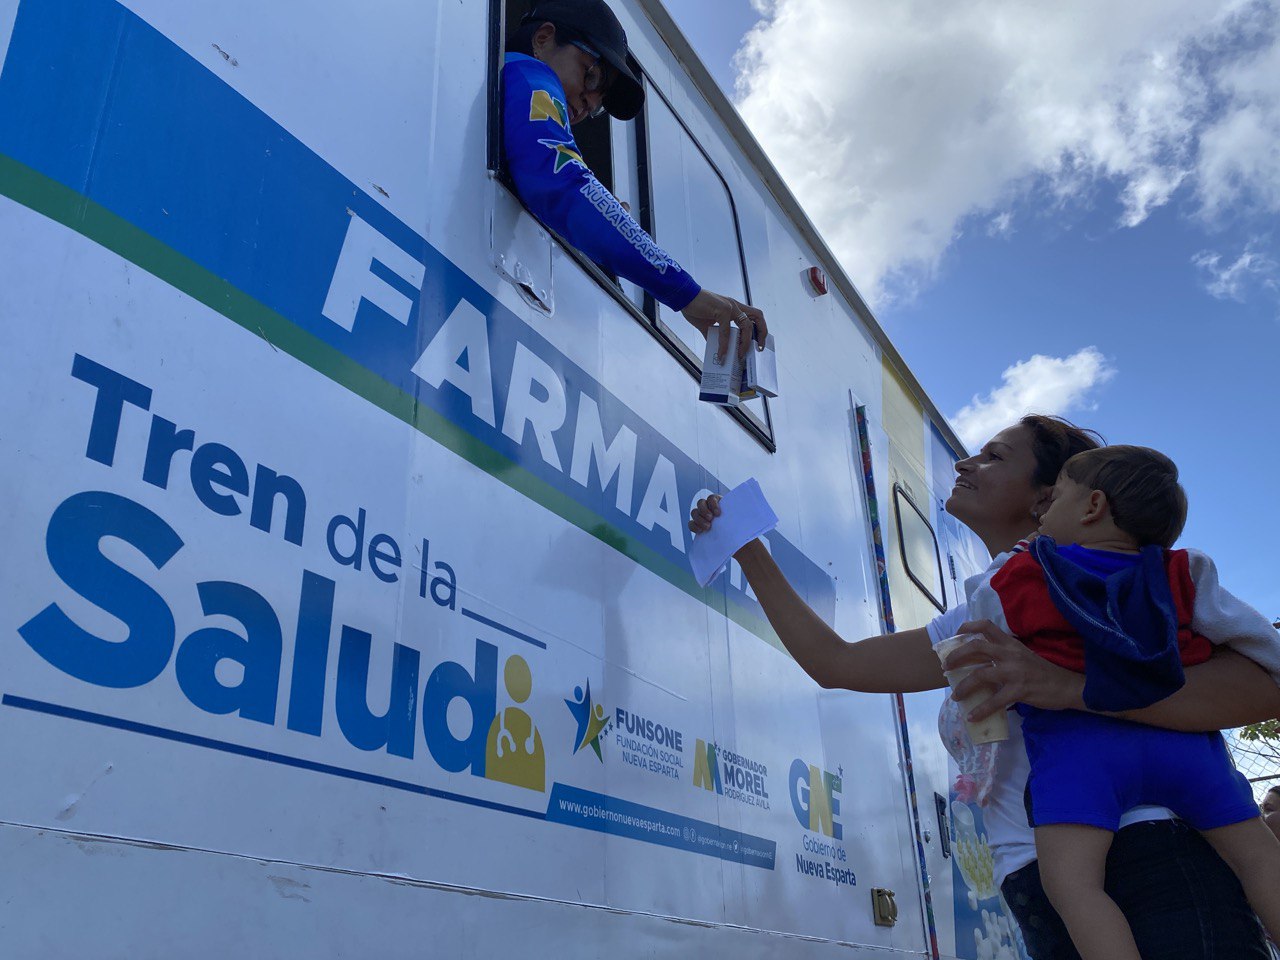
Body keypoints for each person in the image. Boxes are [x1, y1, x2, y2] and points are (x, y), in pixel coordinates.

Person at [689, 414, 1280, 959]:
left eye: (995, 457)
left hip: (1153, 856)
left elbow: (1264, 688)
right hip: (1032, 872)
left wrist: (1070, 686)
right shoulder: (991, 596)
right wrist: (747, 549)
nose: (965, 464)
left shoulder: (1145, 576)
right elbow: (839, 663)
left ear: (1053, 496)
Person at [960, 445, 1280, 959]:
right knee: (1261, 858)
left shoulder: (1011, 579)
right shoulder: (1186, 571)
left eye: (1057, 496)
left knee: (1074, 887)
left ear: (1091, 507)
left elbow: (975, 653)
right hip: (1189, 752)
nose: (1044, 510)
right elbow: (1268, 653)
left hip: (1079, 756)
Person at [502, 0, 767, 364]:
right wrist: (685, 292)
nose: (587, 102)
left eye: (597, 104)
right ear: (544, 38)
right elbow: (564, 183)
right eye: (591, 76)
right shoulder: (531, 75)